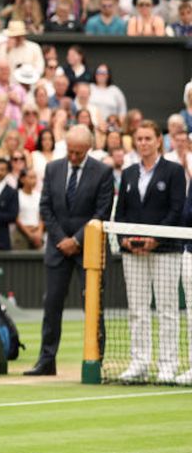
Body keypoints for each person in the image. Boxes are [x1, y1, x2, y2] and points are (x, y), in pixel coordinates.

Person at [32, 125, 115, 376]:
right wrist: (62, 240)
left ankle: (95, 361)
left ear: (89, 149)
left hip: (89, 249)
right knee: (52, 305)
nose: (74, 156)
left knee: (92, 305)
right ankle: (46, 361)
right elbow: (45, 206)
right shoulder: (52, 168)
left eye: (79, 152)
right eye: (70, 151)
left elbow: (102, 212)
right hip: (58, 249)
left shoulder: (103, 172)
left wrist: (77, 240)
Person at [114, 120, 186, 383]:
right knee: (137, 309)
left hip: (166, 250)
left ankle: (168, 364)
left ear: (158, 141)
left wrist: (153, 238)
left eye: (148, 138)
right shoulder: (129, 173)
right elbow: (120, 212)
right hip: (133, 253)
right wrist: (125, 239)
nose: (143, 143)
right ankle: (139, 362)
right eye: (139, 139)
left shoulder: (175, 171)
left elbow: (176, 210)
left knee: (167, 308)